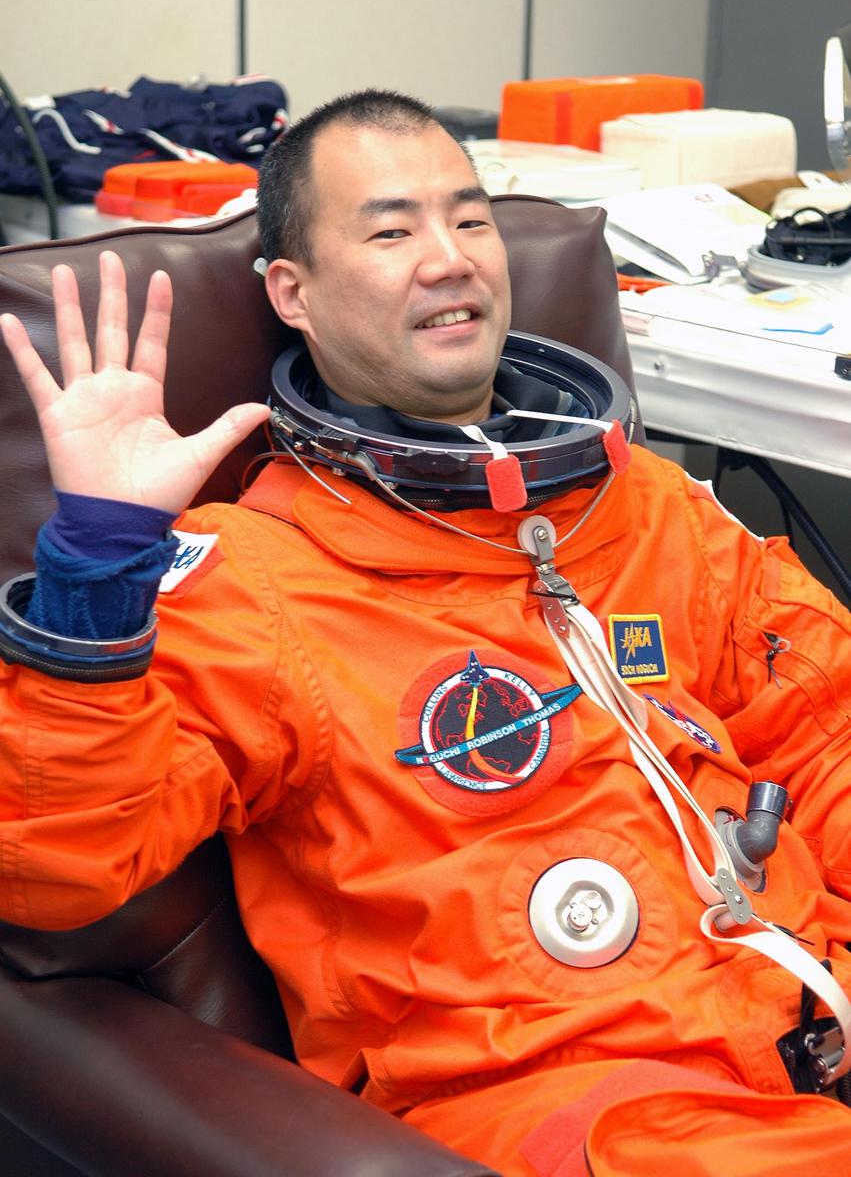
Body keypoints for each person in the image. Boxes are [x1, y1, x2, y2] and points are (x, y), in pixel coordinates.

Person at [1, 88, 851, 1177]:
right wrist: (98, 562)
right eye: (392, 230)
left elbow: (826, 733)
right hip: (580, 1108)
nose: (448, 258)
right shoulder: (255, 583)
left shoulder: (647, 507)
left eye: (470, 219)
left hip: (803, 1045)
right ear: (290, 292)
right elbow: (51, 869)